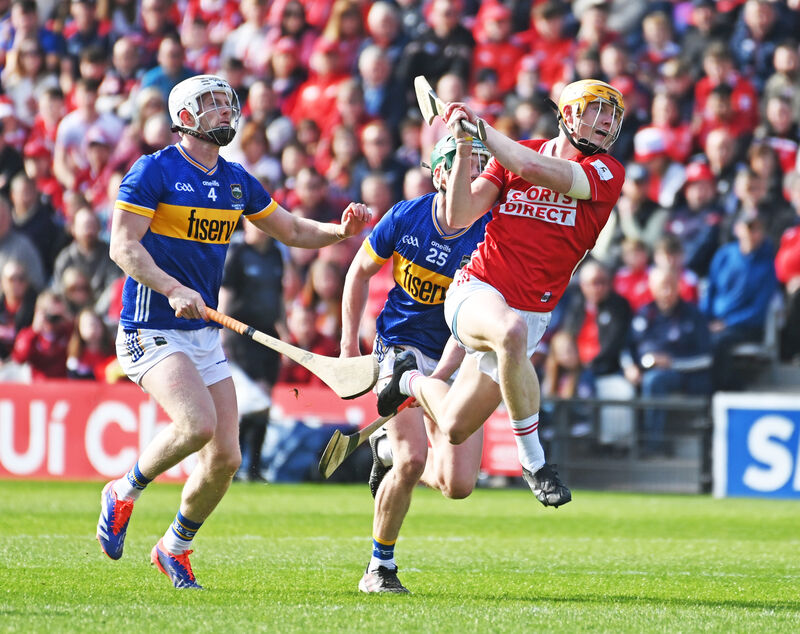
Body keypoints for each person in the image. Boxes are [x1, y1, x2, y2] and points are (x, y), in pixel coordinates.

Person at [95, 74, 370, 589]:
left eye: (227, 103)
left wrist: (339, 231)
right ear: (185, 116)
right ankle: (123, 492)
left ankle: (174, 546)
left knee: (226, 458)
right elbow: (123, 247)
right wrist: (172, 287)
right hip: (150, 326)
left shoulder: (237, 180)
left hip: (202, 334)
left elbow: (289, 229)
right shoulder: (152, 171)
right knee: (196, 425)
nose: (225, 111)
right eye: (212, 104)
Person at [377, 79, 627, 510]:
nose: (605, 123)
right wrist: (461, 143)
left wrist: (480, 130)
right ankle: (535, 463)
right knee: (508, 329)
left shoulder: (606, 172)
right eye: (596, 111)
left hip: (532, 315)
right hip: (476, 290)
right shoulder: (514, 155)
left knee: (454, 427)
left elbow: (536, 170)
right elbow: (459, 214)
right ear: (568, 114)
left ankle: (406, 378)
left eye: (612, 116)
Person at [340, 134, 491, 594]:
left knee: (458, 484)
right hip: (398, 347)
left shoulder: (489, 233)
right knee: (412, 460)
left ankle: (382, 452)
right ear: (441, 174)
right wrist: (349, 347)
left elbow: (469, 329)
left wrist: (435, 381)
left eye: (481, 168)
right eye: (467, 166)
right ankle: (379, 568)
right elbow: (358, 273)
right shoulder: (405, 216)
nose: (478, 177)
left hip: (455, 351)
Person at [218, 219, 286, 483]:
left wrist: (284, 329)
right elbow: (226, 293)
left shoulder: (275, 254)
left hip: (268, 336)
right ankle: (233, 462)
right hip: (241, 335)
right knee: (251, 400)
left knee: (264, 402)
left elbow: (278, 296)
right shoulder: (237, 254)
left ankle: (254, 466)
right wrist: (222, 329)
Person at [622, 268, 712, 457]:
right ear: (652, 288)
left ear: (678, 286)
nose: (667, 292)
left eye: (671, 286)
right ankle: (622, 446)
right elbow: (626, 348)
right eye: (662, 287)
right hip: (642, 371)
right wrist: (629, 367)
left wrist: (671, 363)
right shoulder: (644, 314)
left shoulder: (693, 315)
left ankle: (653, 445)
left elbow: (706, 358)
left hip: (684, 375)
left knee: (655, 381)